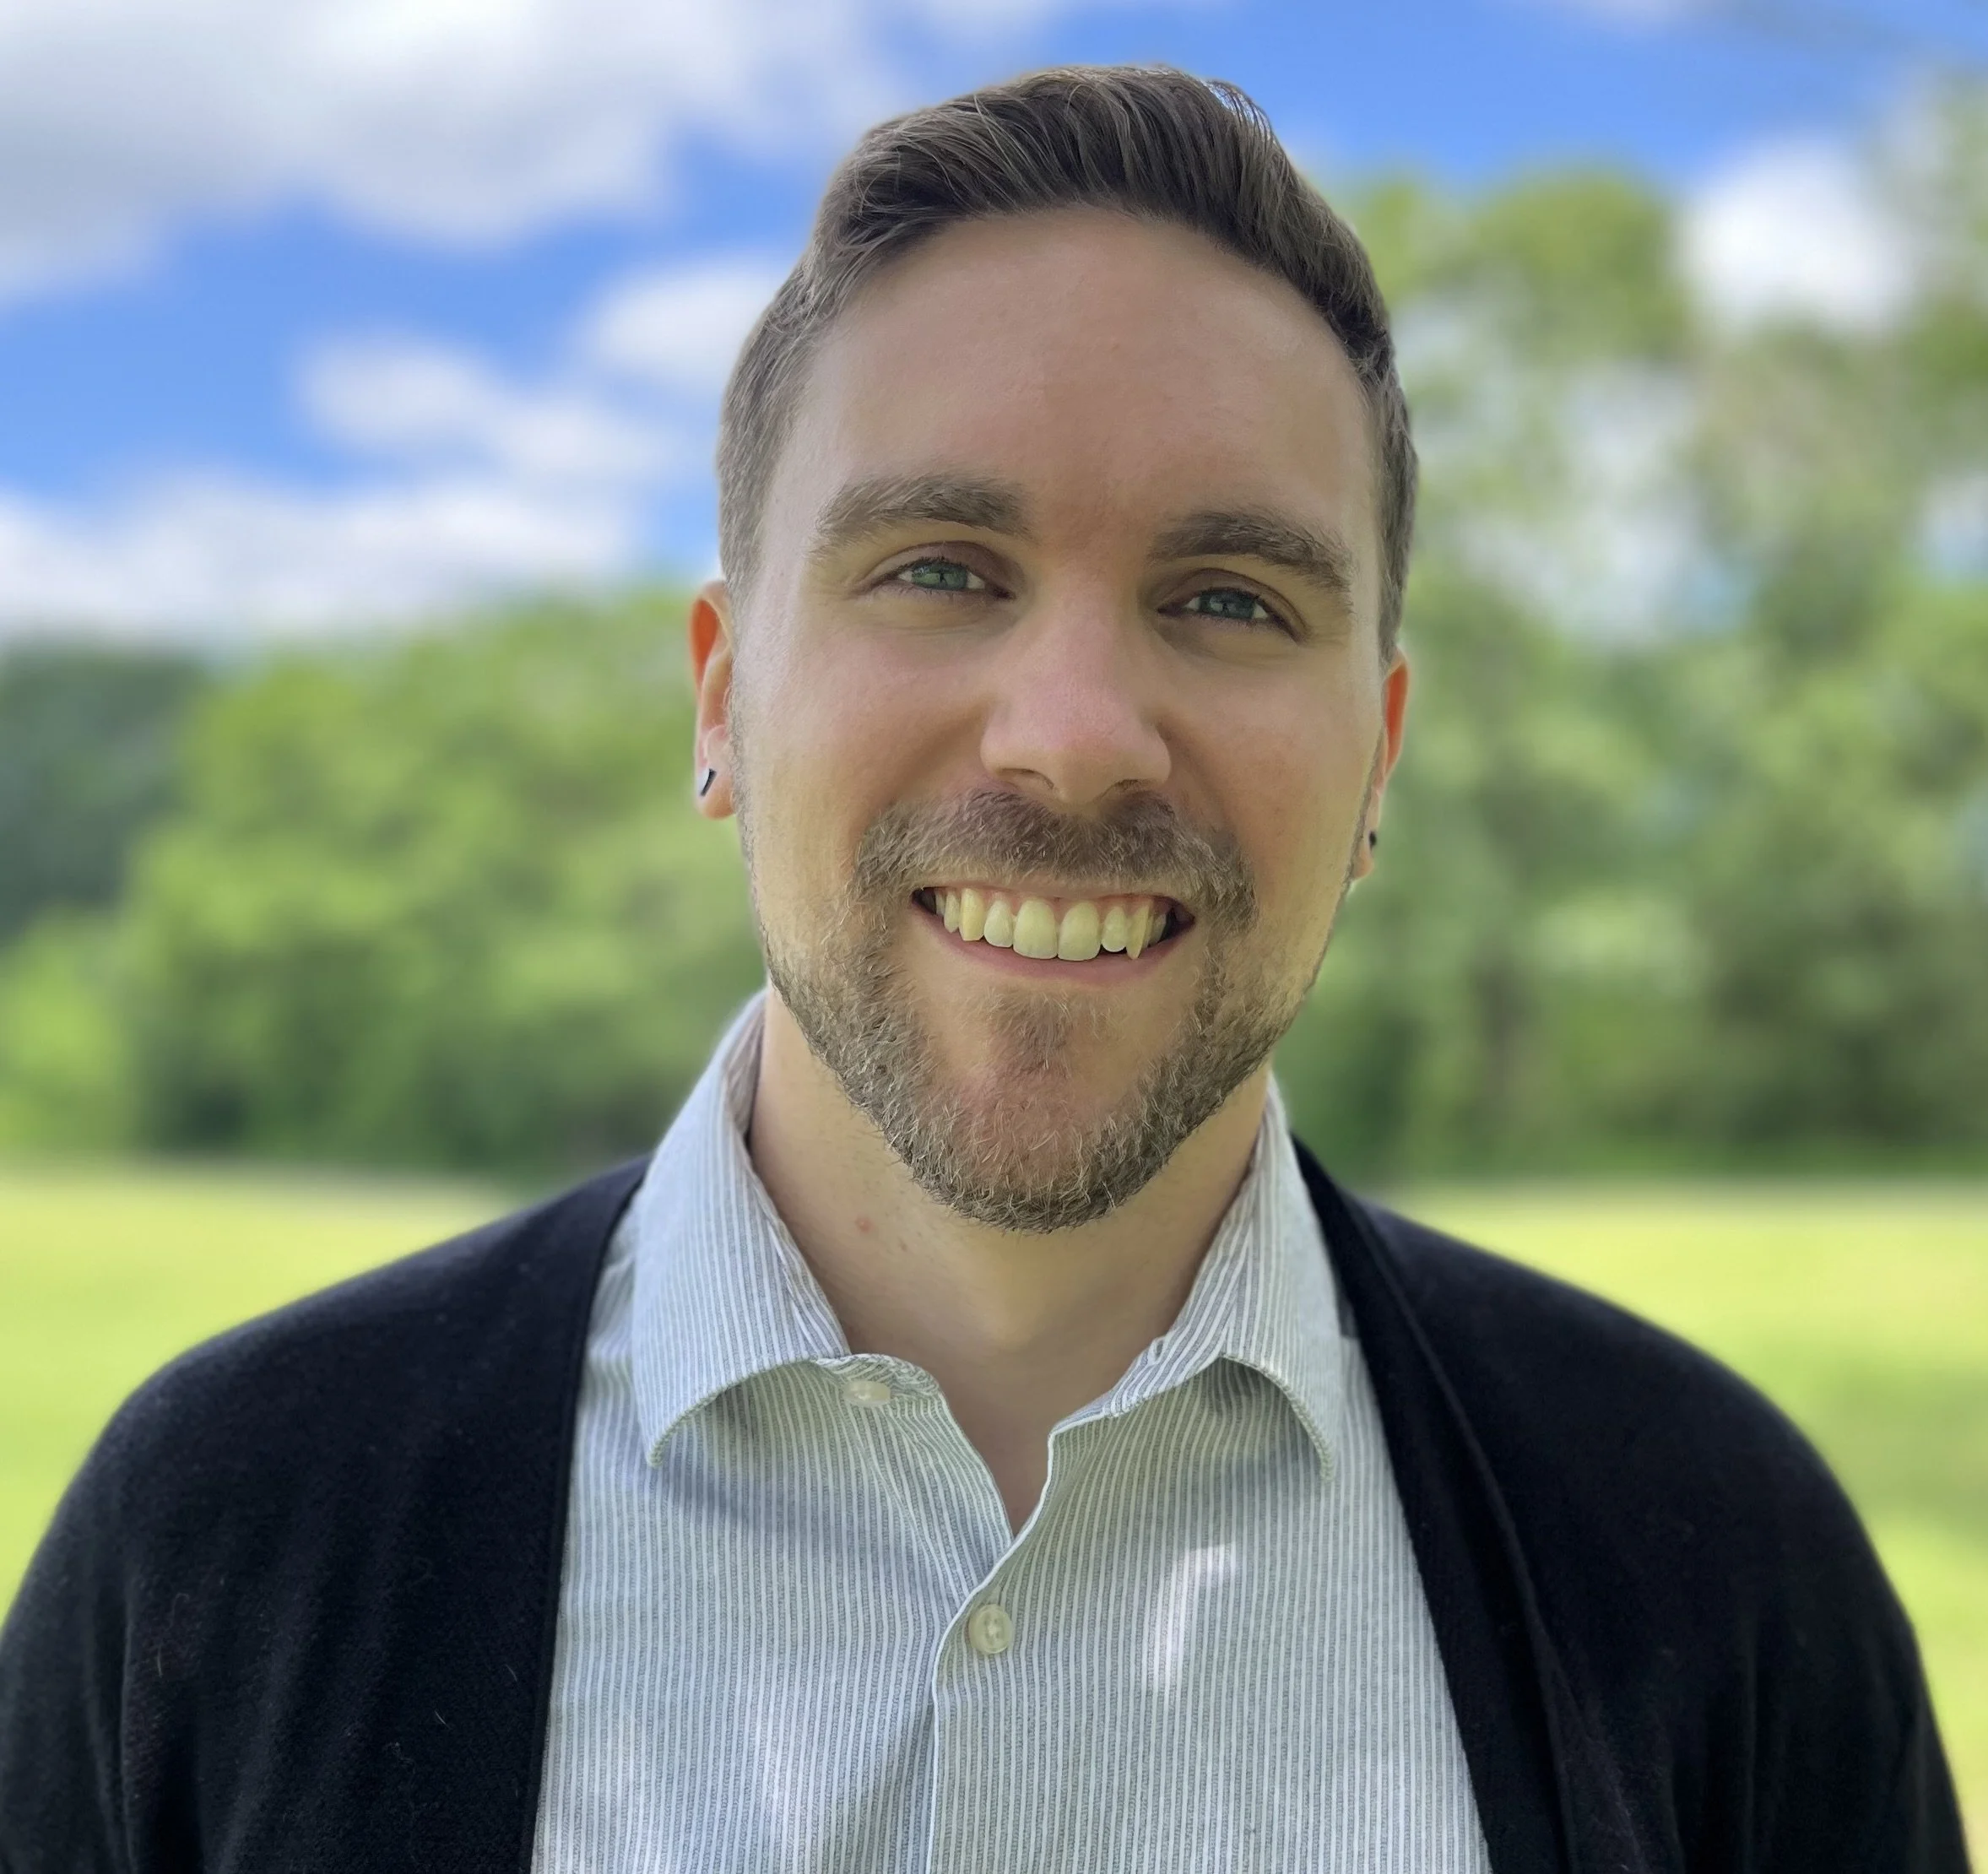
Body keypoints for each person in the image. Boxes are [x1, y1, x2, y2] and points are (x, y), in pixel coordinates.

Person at [0, 64, 1968, 1874]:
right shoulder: (223, 1543)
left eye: (1226, 598)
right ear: (721, 697)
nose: (1074, 733)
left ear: (1376, 756)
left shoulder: (1714, 1579)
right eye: (939, 567)